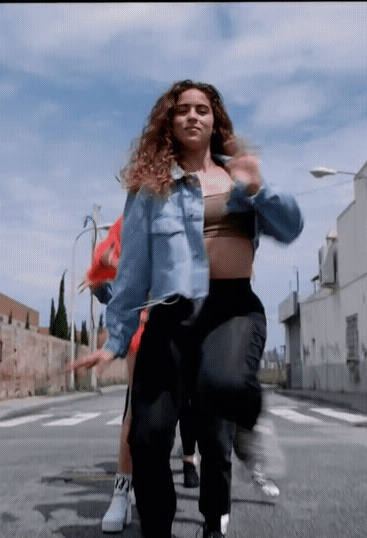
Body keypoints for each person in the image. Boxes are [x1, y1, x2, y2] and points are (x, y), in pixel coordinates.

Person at [71, 80, 303, 537]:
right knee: (147, 436)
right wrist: (115, 339)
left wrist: (258, 188)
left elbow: (290, 227)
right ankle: (156, 528)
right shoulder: (150, 189)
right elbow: (134, 268)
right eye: (182, 110)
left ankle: (215, 519)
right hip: (169, 316)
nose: (192, 116)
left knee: (220, 401)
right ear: (169, 122)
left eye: (202, 109)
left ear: (215, 120)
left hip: (231, 309)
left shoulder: (238, 176)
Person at [80, 216, 200, 534]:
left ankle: (192, 462)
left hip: (181, 329)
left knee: (186, 406)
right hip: (142, 332)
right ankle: (122, 492)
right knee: (135, 413)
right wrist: (101, 279)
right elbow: (102, 283)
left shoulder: (185, 216)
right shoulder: (126, 223)